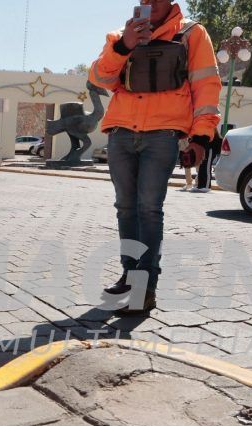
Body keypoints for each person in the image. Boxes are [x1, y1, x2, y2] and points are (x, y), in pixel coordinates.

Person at [89, 0, 220, 314]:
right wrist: (123, 46)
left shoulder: (191, 33)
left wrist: (201, 136)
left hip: (163, 134)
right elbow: (99, 79)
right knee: (125, 208)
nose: (151, 3)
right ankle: (129, 274)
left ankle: (145, 288)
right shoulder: (121, 35)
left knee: (148, 209)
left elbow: (206, 85)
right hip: (121, 132)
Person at [190, 125, 223, 193]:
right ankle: (200, 185)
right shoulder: (206, 129)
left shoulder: (211, 129)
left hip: (210, 149)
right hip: (205, 149)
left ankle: (207, 186)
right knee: (202, 167)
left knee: (207, 167)